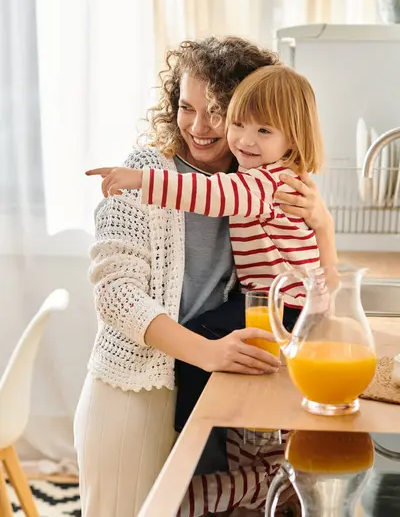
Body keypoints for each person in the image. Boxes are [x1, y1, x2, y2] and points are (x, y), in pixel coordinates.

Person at [75, 36, 337, 517]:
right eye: (186, 107)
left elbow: (315, 278)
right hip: (142, 396)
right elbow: (115, 297)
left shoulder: (256, 179)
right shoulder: (148, 169)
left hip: (222, 395)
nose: (200, 126)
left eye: (219, 111)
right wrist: (210, 353)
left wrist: (323, 223)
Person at [88, 64, 323, 309]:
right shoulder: (266, 173)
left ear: (294, 139)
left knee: (202, 334)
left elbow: (211, 193)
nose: (245, 140)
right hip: (276, 301)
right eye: (238, 123)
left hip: (283, 305)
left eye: (263, 130)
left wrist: (141, 180)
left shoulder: (271, 183)